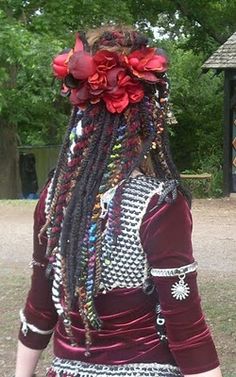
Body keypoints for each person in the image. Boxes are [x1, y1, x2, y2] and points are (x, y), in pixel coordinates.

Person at [15, 26, 223, 377]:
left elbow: (39, 310)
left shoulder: (55, 198)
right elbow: (187, 330)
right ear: (148, 118)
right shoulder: (158, 206)